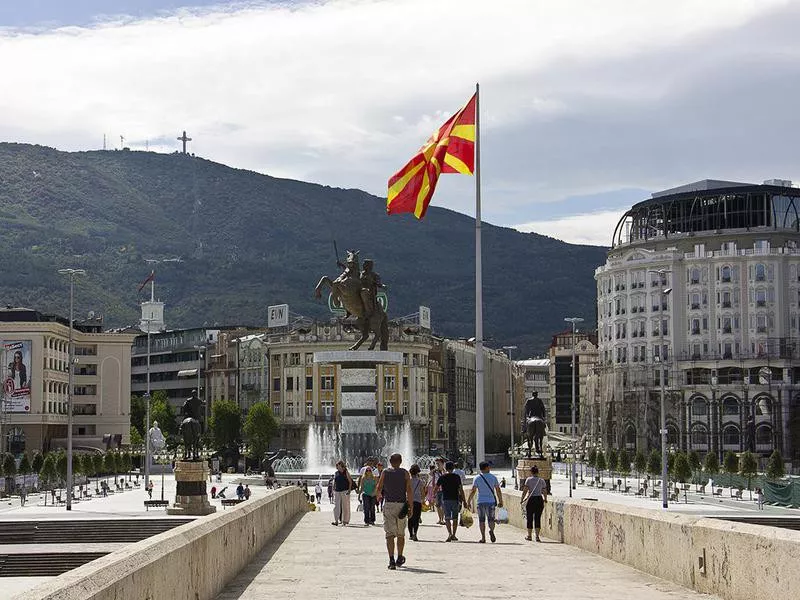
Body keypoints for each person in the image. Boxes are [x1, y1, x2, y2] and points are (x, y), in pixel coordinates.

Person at [374, 453, 413, 570]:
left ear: (390, 462)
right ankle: (399, 557)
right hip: (401, 505)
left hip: (389, 504)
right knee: (401, 533)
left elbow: (379, 487)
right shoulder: (405, 473)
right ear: (401, 461)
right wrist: (411, 506)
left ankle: (391, 559)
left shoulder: (385, 472)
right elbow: (409, 490)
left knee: (389, 534)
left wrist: (378, 497)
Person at [467, 461, 503, 543]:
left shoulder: (477, 478)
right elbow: (498, 490)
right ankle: (492, 531)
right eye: (489, 467)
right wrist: (501, 501)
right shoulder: (493, 477)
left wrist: (468, 501)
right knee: (491, 519)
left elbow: (473, 491)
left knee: (481, 520)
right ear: (486, 468)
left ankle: (483, 538)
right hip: (491, 502)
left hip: (481, 502)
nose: (490, 468)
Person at [435, 461, 467, 542]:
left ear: (445, 468)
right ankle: (454, 535)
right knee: (455, 518)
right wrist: (464, 501)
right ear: (453, 468)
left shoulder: (442, 477)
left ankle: (449, 533)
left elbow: (436, 488)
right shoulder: (457, 477)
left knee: (447, 518)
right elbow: (461, 490)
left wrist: (434, 496)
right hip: (455, 499)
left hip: (445, 499)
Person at [520, 465, 548, 542]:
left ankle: (529, 536)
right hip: (539, 499)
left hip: (531, 499)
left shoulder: (528, 480)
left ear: (531, 472)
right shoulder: (541, 480)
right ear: (538, 472)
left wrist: (522, 499)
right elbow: (544, 491)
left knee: (529, 518)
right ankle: (537, 536)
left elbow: (525, 491)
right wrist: (545, 499)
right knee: (537, 518)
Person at [332, 461, 354, 526]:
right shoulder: (336, 473)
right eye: (336, 466)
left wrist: (349, 490)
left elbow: (350, 481)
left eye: (337, 465)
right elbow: (335, 481)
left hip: (345, 491)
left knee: (345, 506)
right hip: (337, 491)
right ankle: (336, 520)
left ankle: (345, 520)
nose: (336, 467)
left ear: (341, 465)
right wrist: (333, 488)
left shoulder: (346, 472)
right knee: (336, 506)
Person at [407, 464, 424, 541]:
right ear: (417, 472)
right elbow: (422, 493)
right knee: (416, 519)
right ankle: (415, 534)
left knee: (410, 518)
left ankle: (410, 534)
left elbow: (405, 491)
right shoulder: (420, 481)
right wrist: (423, 500)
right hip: (417, 502)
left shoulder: (408, 481)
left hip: (409, 501)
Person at [433, 457, 446, 525]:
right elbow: (430, 476)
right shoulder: (435, 471)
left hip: (444, 490)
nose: (437, 464)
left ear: (442, 463)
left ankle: (442, 519)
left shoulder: (445, 471)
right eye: (436, 463)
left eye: (438, 463)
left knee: (443, 505)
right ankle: (440, 519)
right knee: (438, 505)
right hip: (437, 490)